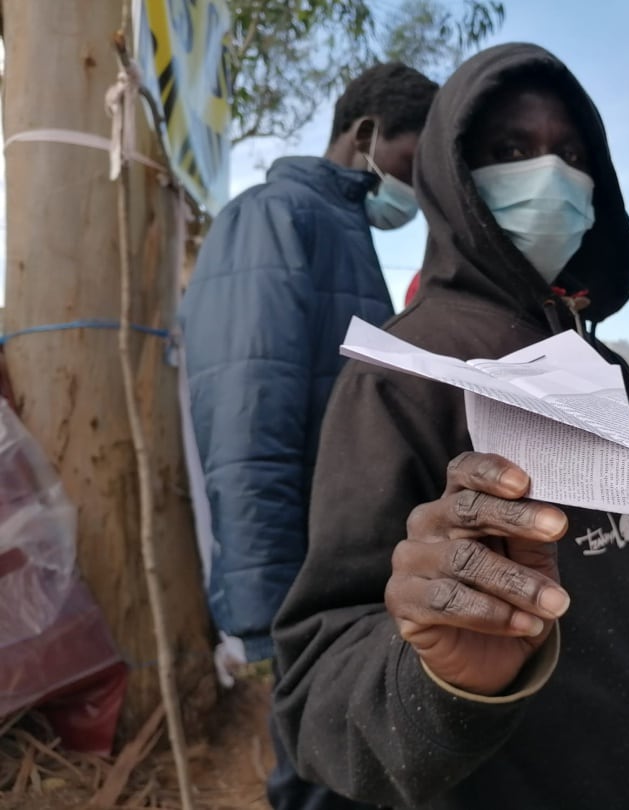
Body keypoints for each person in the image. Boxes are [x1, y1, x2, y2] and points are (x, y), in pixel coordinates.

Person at [272, 44, 629, 810]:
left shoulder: (591, 366)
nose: (549, 177)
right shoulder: (405, 371)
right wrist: (443, 682)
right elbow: (316, 690)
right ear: (453, 172)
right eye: (509, 149)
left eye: (571, 154)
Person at [179, 62, 438, 810]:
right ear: (365, 135)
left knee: (353, 772)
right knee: (322, 780)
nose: (419, 189)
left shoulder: (342, 230)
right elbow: (244, 419)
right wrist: (266, 613)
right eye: (412, 163)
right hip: (305, 590)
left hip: (349, 580)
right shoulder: (273, 217)